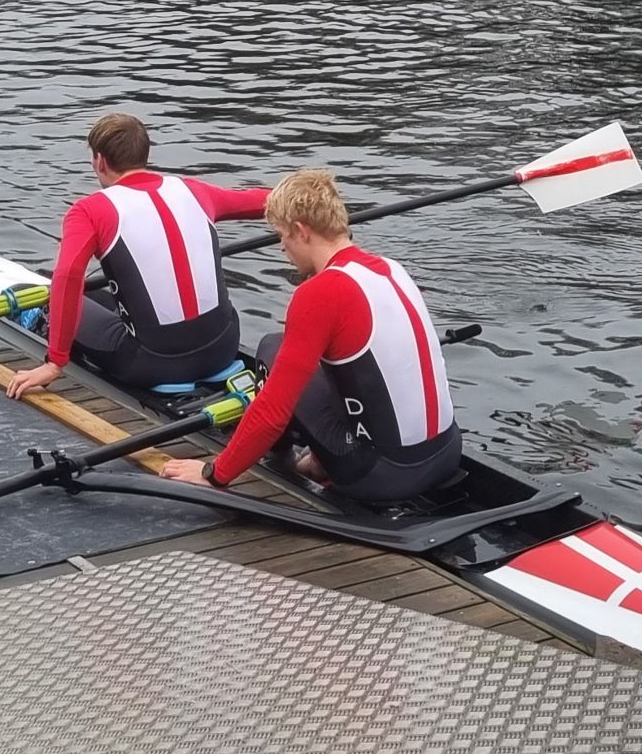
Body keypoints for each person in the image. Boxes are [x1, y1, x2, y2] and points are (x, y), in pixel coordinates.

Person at [161, 169, 461, 505]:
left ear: (301, 232)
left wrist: (214, 474)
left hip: (381, 476)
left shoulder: (319, 292)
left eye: (282, 236)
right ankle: (319, 459)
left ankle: (286, 457)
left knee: (271, 348)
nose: (282, 248)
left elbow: (273, 409)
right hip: (447, 452)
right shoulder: (391, 268)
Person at [5, 114, 269, 398]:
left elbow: (68, 276)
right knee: (98, 297)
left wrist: (55, 363)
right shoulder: (193, 191)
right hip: (223, 347)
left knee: (49, 293)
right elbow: (268, 201)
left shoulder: (90, 210)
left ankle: (40, 319)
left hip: (150, 364)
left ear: (99, 161)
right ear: (145, 154)